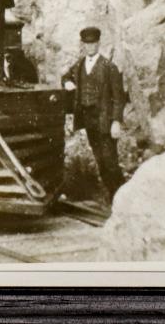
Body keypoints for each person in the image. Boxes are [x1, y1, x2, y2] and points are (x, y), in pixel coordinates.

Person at [61, 26, 128, 202]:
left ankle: (123, 197)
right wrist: (68, 83)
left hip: (105, 121)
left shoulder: (109, 67)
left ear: (98, 44)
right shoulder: (80, 65)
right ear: (83, 45)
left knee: (110, 162)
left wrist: (116, 122)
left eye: (93, 43)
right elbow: (65, 76)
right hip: (89, 121)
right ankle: (112, 197)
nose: (90, 47)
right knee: (100, 161)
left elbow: (118, 97)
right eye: (87, 44)